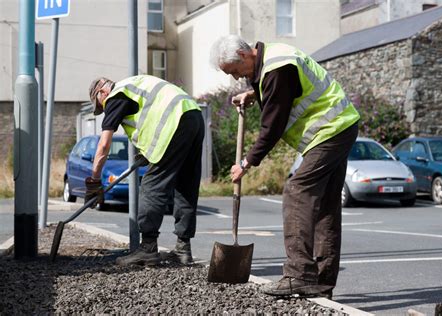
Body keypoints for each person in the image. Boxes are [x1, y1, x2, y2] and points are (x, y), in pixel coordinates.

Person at [210, 35, 359, 299]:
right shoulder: (272, 60)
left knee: (296, 190)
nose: (235, 78)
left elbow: (272, 127)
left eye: (234, 72)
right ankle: (321, 285)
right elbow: (282, 92)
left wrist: (247, 162)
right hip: (339, 127)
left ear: (244, 56)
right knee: (325, 208)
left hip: (330, 130)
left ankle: (298, 275)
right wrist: (252, 94)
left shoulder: (277, 67)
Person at [86, 75, 204, 266]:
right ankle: (183, 249)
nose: (104, 108)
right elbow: (151, 115)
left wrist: (94, 180)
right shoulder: (136, 84)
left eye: (100, 104)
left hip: (174, 123)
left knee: (151, 186)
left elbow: (104, 145)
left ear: (102, 92)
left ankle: (148, 248)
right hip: (193, 114)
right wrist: (146, 152)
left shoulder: (116, 96)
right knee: (185, 185)